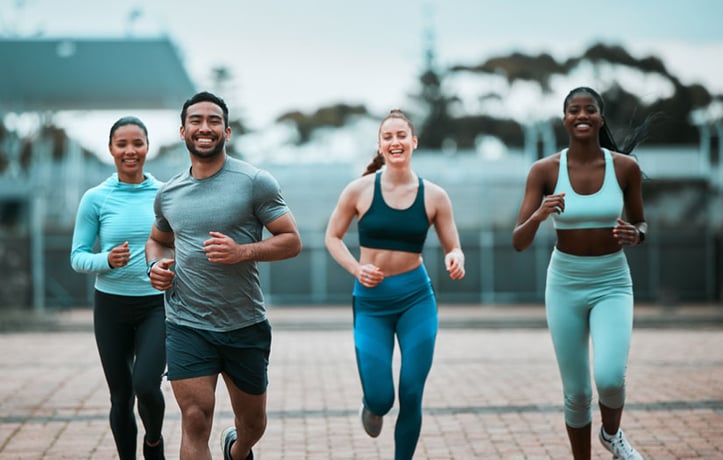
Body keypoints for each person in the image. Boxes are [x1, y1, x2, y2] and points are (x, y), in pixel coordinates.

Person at [145, 91, 302, 460]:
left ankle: (238, 449)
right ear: (182, 131)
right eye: (196, 121)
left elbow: (291, 241)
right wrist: (155, 266)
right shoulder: (168, 194)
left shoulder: (254, 182)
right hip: (186, 323)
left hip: (243, 323)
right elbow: (157, 240)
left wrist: (242, 252)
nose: (205, 127)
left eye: (213, 120)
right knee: (195, 417)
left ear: (226, 132)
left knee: (253, 423)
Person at [512, 86, 655, 460]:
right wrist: (540, 214)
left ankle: (612, 435)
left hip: (612, 281)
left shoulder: (625, 168)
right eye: (573, 111)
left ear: (600, 118)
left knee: (610, 378)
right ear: (564, 120)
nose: (581, 116)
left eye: (589, 110)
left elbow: (641, 223)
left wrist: (636, 235)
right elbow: (518, 240)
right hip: (565, 283)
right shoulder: (543, 171)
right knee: (576, 392)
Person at [325, 109, 466, 460]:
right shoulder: (358, 190)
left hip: (416, 298)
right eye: (388, 136)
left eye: (401, 135)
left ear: (413, 142)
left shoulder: (434, 196)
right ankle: (371, 405)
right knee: (381, 398)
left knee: (412, 391)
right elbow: (332, 237)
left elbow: (454, 246)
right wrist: (357, 269)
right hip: (372, 302)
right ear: (380, 145)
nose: (395, 141)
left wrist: (456, 258)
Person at [70, 116, 166, 460]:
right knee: (121, 396)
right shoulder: (95, 198)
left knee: (147, 386)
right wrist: (106, 260)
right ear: (111, 149)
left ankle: (153, 441)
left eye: (137, 143)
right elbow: (78, 257)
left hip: (157, 305)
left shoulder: (164, 194)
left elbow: (180, 245)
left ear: (147, 147)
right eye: (122, 144)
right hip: (111, 308)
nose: (130, 150)